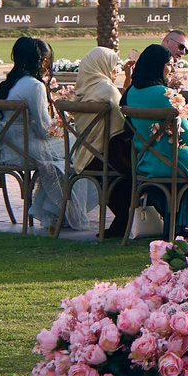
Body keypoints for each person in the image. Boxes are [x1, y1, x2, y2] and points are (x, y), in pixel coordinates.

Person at [125, 42, 188, 236]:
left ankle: (184, 223)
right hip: (171, 161)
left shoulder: (130, 93)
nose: (171, 69)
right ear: (156, 65)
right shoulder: (164, 94)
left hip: (144, 162)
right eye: (168, 64)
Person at [0, 36, 85, 234]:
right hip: (23, 149)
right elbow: (45, 130)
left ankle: (56, 210)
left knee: (63, 155)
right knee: (78, 147)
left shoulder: (11, 83)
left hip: (6, 147)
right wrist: (64, 125)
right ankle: (62, 211)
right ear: (44, 62)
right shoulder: (34, 86)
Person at [68, 45, 131, 235]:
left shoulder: (83, 90)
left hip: (85, 155)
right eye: (113, 66)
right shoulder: (107, 91)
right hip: (105, 157)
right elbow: (122, 125)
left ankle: (123, 222)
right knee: (142, 166)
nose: (115, 71)